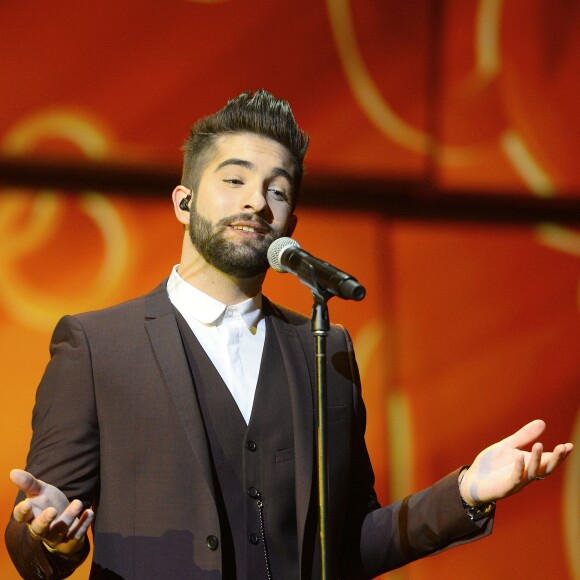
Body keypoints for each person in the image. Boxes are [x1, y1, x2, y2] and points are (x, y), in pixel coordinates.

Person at [5, 90, 573, 580]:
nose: (256, 200)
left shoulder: (322, 351)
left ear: (291, 225)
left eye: (277, 191)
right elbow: (34, 544)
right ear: (184, 202)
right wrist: (53, 536)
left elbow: (348, 543)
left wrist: (467, 492)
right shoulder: (99, 346)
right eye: (234, 180)